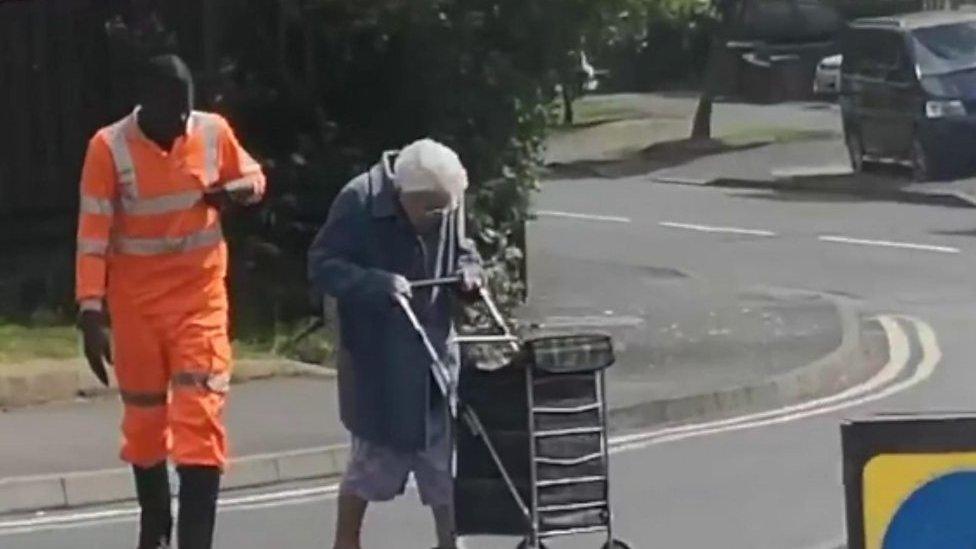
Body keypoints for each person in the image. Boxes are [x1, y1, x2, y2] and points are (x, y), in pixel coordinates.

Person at [75, 54, 266, 549]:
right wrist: (90, 309)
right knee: (144, 420)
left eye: (187, 110)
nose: (182, 122)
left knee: (200, 418)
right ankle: (155, 521)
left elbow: (253, 176)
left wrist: (239, 191)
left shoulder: (211, 130)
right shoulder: (109, 148)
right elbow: (93, 233)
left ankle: (195, 540)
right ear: (146, 103)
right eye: (172, 112)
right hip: (136, 305)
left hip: (199, 299)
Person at [308, 138, 483, 549]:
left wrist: (470, 274)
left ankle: (450, 543)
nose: (441, 217)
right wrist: (375, 283)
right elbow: (322, 265)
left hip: (435, 358)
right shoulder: (358, 199)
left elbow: (466, 250)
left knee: (445, 467)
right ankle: (345, 543)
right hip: (378, 361)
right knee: (369, 467)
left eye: (447, 209)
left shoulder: (447, 199)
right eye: (431, 209)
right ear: (404, 194)